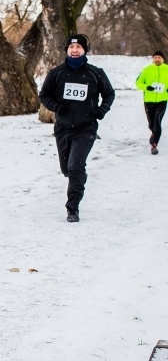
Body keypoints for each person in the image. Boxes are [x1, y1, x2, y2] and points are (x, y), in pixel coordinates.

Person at [38, 34, 116, 222]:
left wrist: (101, 111)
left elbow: (109, 94)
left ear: (85, 50)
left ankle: (72, 208)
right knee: (67, 169)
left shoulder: (95, 73)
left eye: (79, 48)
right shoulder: (56, 74)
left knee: (75, 167)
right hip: (63, 129)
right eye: (71, 48)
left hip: (86, 129)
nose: (75, 51)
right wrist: (57, 107)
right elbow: (44, 95)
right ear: (66, 50)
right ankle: (77, 175)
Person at [135, 50, 168, 155]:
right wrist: (146, 87)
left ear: (163, 59)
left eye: (159, 57)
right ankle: (154, 132)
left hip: (162, 100)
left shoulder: (167, 69)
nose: (157, 59)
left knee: (157, 120)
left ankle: (154, 145)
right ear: (153, 59)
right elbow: (138, 83)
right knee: (151, 123)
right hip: (149, 101)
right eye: (156, 57)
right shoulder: (147, 70)